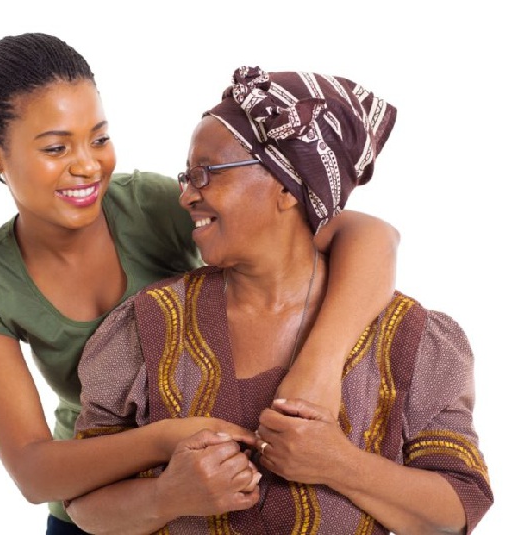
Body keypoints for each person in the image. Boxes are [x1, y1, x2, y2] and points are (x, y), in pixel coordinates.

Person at [0, 33, 400, 534]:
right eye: (55, 147)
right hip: (99, 510)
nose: (88, 165)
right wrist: (165, 443)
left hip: (216, 504)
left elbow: (368, 235)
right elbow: (32, 470)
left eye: (99, 138)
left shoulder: (152, 206)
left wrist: (318, 371)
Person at [69, 66, 493, 534]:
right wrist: (166, 496)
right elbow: (83, 503)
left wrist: (338, 464)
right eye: (185, 177)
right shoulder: (150, 324)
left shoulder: (408, 337)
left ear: (288, 187)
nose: (186, 196)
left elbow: (459, 509)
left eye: (205, 174)